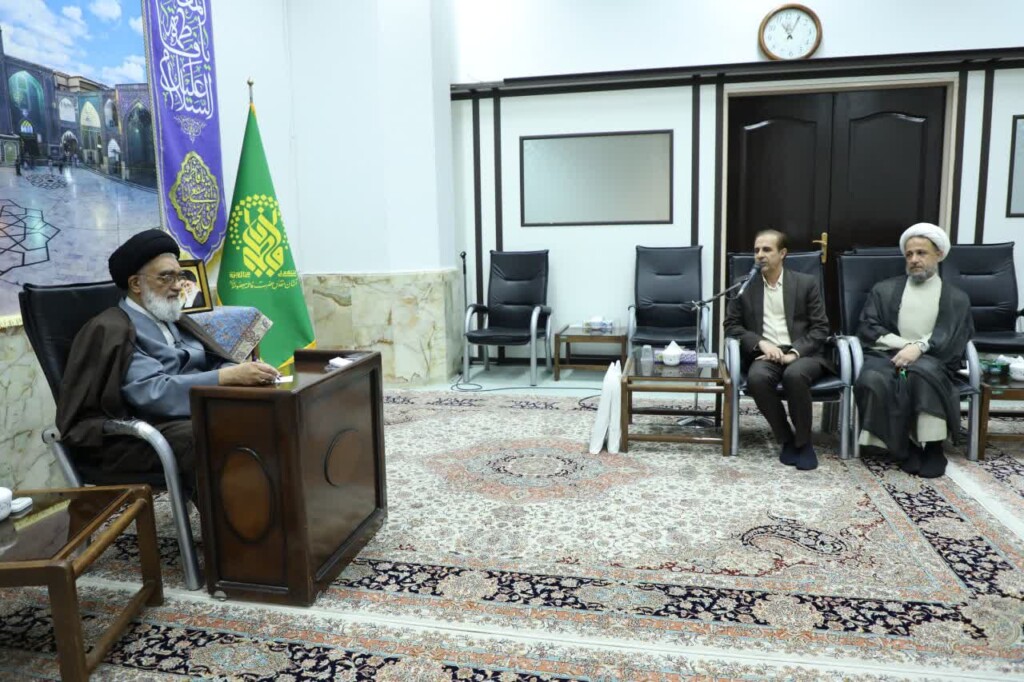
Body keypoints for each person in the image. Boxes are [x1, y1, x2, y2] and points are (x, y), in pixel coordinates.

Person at [56, 229, 280, 486]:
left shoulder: (172, 317)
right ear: (136, 284)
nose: (177, 286)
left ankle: (276, 500)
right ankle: (240, 509)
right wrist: (225, 377)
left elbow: (212, 359)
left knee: (269, 412)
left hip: (189, 413)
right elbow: (153, 393)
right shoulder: (114, 329)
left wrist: (239, 371)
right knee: (217, 434)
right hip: (142, 433)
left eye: (179, 276)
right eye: (166, 277)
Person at [853, 223, 973, 478]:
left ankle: (933, 447)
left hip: (933, 359)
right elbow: (868, 326)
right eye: (909, 254)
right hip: (888, 356)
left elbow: (951, 336)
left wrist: (919, 348)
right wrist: (905, 347)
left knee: (920, 375)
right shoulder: (884, 289)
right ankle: (905, 446)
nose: (914, 259)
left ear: (939, 254)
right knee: (872, 378)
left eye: (921, 253)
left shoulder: (956, 297)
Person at [724, 229, 834, 470]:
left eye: (767, 249)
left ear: (782, 253)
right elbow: (731, 325)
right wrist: (760, 342)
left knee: (795, 375)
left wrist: (793, 353)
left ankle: (804, 443)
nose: (760, 255)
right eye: (756, 250)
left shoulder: (806, 283)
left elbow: (820, 328)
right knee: (757, 378)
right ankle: (786, 439)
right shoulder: (744, 285)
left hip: (803, 353)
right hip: (766, 353)